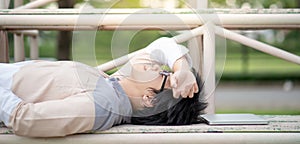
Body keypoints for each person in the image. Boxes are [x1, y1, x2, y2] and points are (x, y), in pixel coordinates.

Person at [0, 37, 207, 137]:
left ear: (149, 98)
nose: (160, 66)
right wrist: (182, 68)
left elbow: (27, 119)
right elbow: (162, 46)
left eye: (165, 75)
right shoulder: (117, 84)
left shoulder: (103, 105)